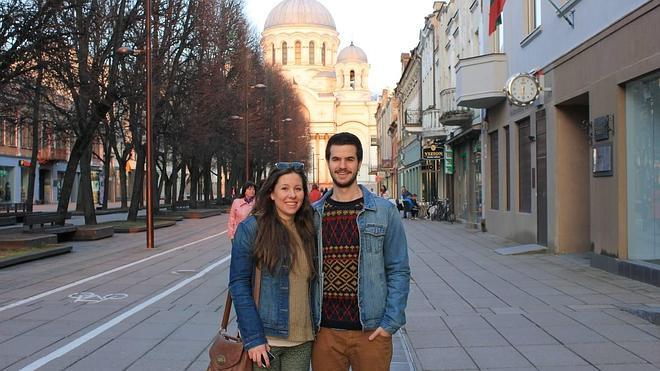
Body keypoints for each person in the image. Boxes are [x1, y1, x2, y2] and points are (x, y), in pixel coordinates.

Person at [311, 132, 410, 371]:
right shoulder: (312, 215)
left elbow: (399, 269)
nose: (342, 166)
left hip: (371, 332)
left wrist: (390, 323)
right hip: (325, 333)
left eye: (349, 159)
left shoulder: (384, 211)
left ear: (358, 162)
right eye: (336, 159)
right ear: (328, 162)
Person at [229, 162, 318, 371]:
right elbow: (239, 284)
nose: (292, 195)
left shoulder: (311, 227)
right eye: (284, 188)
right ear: (271, 193)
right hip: (265, 341)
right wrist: (253, 338)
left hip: (302, 340)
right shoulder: (251, 228)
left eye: (298, 189)